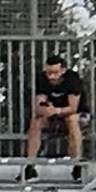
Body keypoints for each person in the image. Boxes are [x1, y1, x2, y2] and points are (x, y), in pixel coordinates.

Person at [24, 53, 86, 181]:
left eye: (55, 73)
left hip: (76, 114)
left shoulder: (72, 79)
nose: (51, 77)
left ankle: (77, 165)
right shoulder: (42, 79)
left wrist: (57, 110)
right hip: (52, 114)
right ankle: (30, 166)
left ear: (63, 71)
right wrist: (45, 109)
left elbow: (73, 107)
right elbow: (39, 105)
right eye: (49, 73)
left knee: (72, 120)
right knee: (36, 121)